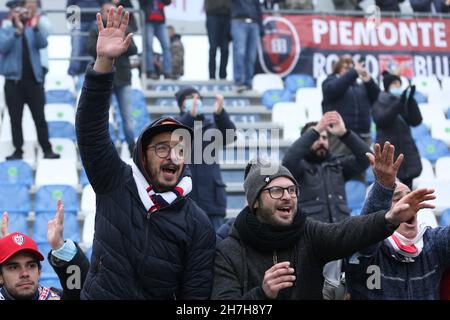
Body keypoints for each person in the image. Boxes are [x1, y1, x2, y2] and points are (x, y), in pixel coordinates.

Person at [76, 7, 215, 299]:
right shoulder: (115, 181)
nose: (172, 156)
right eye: (162, 147)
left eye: (180, 149)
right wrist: (103, 63)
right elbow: (90, 130)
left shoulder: (198, 223)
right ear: (143, 154)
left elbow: (195, 299)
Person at [211, 153, 435, 299]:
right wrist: (262, 294)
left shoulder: (309, 232)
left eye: (292, 190)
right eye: (276, 191)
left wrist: (388, 218)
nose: (287, 197)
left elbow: (350, 232)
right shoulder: (229, 250)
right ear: (255, 202)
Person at [345, 144, 450, 299]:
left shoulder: (433, 242)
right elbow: (365, 236)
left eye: (409, 196)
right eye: (396, 198)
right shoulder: (365, 250)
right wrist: (383, 187)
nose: (407, 203)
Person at [283, 111, 371, 223]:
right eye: (316, 137)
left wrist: (344, 134)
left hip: (340, 232)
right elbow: (288, 161)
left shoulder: (338, 163)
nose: (321, 141)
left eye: (324, 138)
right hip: (311, 234)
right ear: (306, 140)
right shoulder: (298, 167)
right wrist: (317, 129)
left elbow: (367, 158)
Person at [0, 0, 60, 160]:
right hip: (14, 83)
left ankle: (47, 149)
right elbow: (3, 46)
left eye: (21, 11)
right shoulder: (6, 30)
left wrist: (33, 26)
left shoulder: (31, 29)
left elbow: (43, 43)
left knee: (39, 117)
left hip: (34, 81)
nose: (19, 14)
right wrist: (17, 31)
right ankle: (18, 150)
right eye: (16, 11)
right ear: (10, 14)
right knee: (15, 119)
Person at [174, 87, 237, 230]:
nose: (196, 102)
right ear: (182, 104)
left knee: (216, 245)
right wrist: (190, 117)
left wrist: (220, 114)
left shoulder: (212, 125)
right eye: (190, 99)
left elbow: (231, 135)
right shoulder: (175, 124)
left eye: (198, 98)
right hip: (185, 201)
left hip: (212, 200)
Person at [0, 201, 90, 300]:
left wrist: (60, 247)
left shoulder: (54, 297)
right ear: (1, 276)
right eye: (13, 267)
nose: (25, 273)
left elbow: (78, 291)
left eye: (31, 266)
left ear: (39, 272)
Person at [87, 2, 138, 155]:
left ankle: (132, 148)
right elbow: (89, 49)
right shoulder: (96, 29)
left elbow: (134, 50)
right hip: (104, 79)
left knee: (127, 118)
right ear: (102, 13)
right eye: (107, 11)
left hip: (123, 79)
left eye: (113, 11)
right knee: (103, 117)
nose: (111, 14)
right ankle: (105, 148)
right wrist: (104, 44)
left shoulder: (125, 29)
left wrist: (122, 41)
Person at [322, 55, 380, 157]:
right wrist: (353, 72)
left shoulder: (360, 85)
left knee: (362, 168)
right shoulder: (329, 82)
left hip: (363, 136)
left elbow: (377, 98)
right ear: (338, 69)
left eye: (352, 68)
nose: (351, 71)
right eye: (346, 68)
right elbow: (333, 90)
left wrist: (369, 81)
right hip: (339, 136)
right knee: (339, 167)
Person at [372, 71, 422, 189]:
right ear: (387, 86)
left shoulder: (404, 101)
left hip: (407, 155)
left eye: (399, 83)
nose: (398, 86)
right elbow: (382, 120)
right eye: (394, 83)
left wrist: (410, 101)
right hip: (389, 155)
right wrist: (399, 102)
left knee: (406, 192)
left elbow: (416, 121)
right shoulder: (379, 102)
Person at [66, 0, 107, 76]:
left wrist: (102, 20)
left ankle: (91, 72)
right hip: (78, 21)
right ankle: (73, 74)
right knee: (77, 45)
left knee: (92, 47)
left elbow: (105, 5)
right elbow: (70, 6)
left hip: (95, 20)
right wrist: (73, 25)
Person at [231, 0, 264, 92]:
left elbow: (258, 9)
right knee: (240, 53)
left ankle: (248, 83)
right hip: (239, 21)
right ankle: (238, 82)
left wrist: (261, 29)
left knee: (251, 56)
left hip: (254, 23)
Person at [138, 0, 172, 80]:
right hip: (148, 20)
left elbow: (168, 2)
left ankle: (167, 72)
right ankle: (150, 70)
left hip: (160, 21)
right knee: (148, 46)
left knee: (166, 46)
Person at [204, 0, 231, 80]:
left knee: (225, 48)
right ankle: (212, 76)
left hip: (227, 15)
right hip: (212, 15)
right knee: (213, 48)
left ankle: (223, 76)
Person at [25, 0, 51, 78]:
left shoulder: (41, 18)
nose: (31, 5)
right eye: (28, 2)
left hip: (40, 63)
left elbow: (49, 31)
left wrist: (37, 20)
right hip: (22, 64)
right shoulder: (18, 18)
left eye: (33, 2)